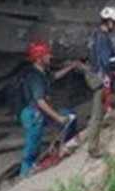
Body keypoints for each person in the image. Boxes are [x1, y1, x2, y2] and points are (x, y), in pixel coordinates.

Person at [18, 40, 83, 177]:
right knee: (33, 144)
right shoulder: (34, 77)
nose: (50, 57)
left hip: (40, 111)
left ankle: (66, 146)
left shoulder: (43, 72)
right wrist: (58, 118)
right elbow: (40, 102)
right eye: (46, 55)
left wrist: (71, 66)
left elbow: (54, 76)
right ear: (39, 58)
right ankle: (25, 173)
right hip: (33, 114)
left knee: (70, 116)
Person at [84, 6, 115, 158]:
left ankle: (92, 142)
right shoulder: (103, 37)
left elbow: (104, 55)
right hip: (99, 78)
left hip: (93, 74)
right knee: (97, 114)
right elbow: (106, 62)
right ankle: (93, 148)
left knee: (99, 111)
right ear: (110, 22)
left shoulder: (95, 34)